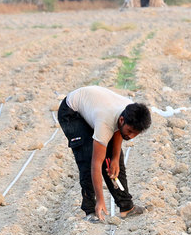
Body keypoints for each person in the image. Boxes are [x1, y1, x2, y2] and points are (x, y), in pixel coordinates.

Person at [58, 86, 152, 222]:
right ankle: (91, 210)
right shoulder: (105, 122)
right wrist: (101, 200)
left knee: (115, 160)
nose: (131, 137)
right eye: (130, 131)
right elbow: (96, 163)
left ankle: (126, 207)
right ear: (122, 120)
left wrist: (114, 158)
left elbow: (120, 132)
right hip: (72, 112)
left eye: (135, 134)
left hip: (96, 108)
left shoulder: (128, 111)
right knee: (87, 156)